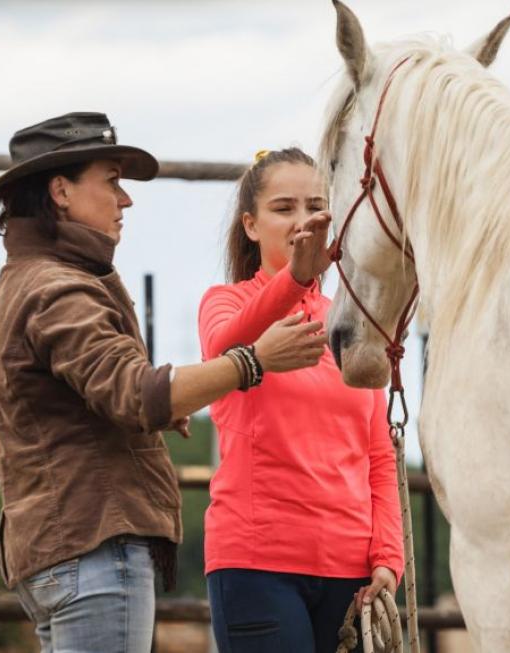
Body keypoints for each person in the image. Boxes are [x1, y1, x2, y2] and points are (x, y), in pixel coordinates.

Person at [0, 113, 328, 652]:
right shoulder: (57, 288)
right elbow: (135, 393)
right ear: (61, 190)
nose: (126, 200)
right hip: (94, 546)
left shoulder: (30, 280)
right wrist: (253, 361)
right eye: (111, 181)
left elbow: (106, 393)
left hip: (64, 547)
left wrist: (167, 402)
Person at [199, 147, 404, 653]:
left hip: (352, 572)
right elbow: (224, 352)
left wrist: (388, 557)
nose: (301, 221)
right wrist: (294, 280)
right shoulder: (224, 302)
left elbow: (377, 454)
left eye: (314, 206)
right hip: (256, 564)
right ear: (251, 225)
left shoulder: (348, 322)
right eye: (283, 208)